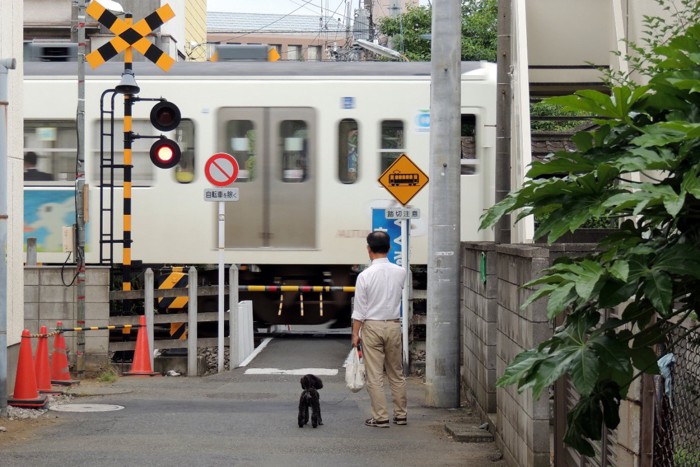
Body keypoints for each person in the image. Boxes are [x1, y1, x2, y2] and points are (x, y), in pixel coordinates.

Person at [351, 230, 408, 428]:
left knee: (374, 375)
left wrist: (355, 333)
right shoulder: (401, 272)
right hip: (393, 324)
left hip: (372, 326)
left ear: (369, 249)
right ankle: (401, 415)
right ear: (390, 248)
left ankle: (381, 417)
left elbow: (359, 309)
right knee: (396, 373)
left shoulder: (364, 276)